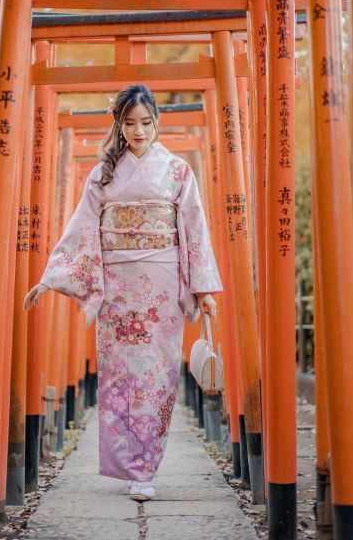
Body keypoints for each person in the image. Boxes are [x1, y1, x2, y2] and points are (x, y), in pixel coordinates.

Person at [23, 84, 223, 501]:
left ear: (156, 123)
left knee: (157, 373)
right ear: (118, 124)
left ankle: (145, 467)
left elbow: (194, 228)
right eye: (130, 123)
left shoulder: (177, 171)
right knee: (120, 374)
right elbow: (81, 228)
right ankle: (130, 465)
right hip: (116, 285)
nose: (139, 131)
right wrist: (50, 277)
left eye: (146, 123)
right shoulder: (103, 173)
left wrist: (203, 288)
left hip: (162, 280)